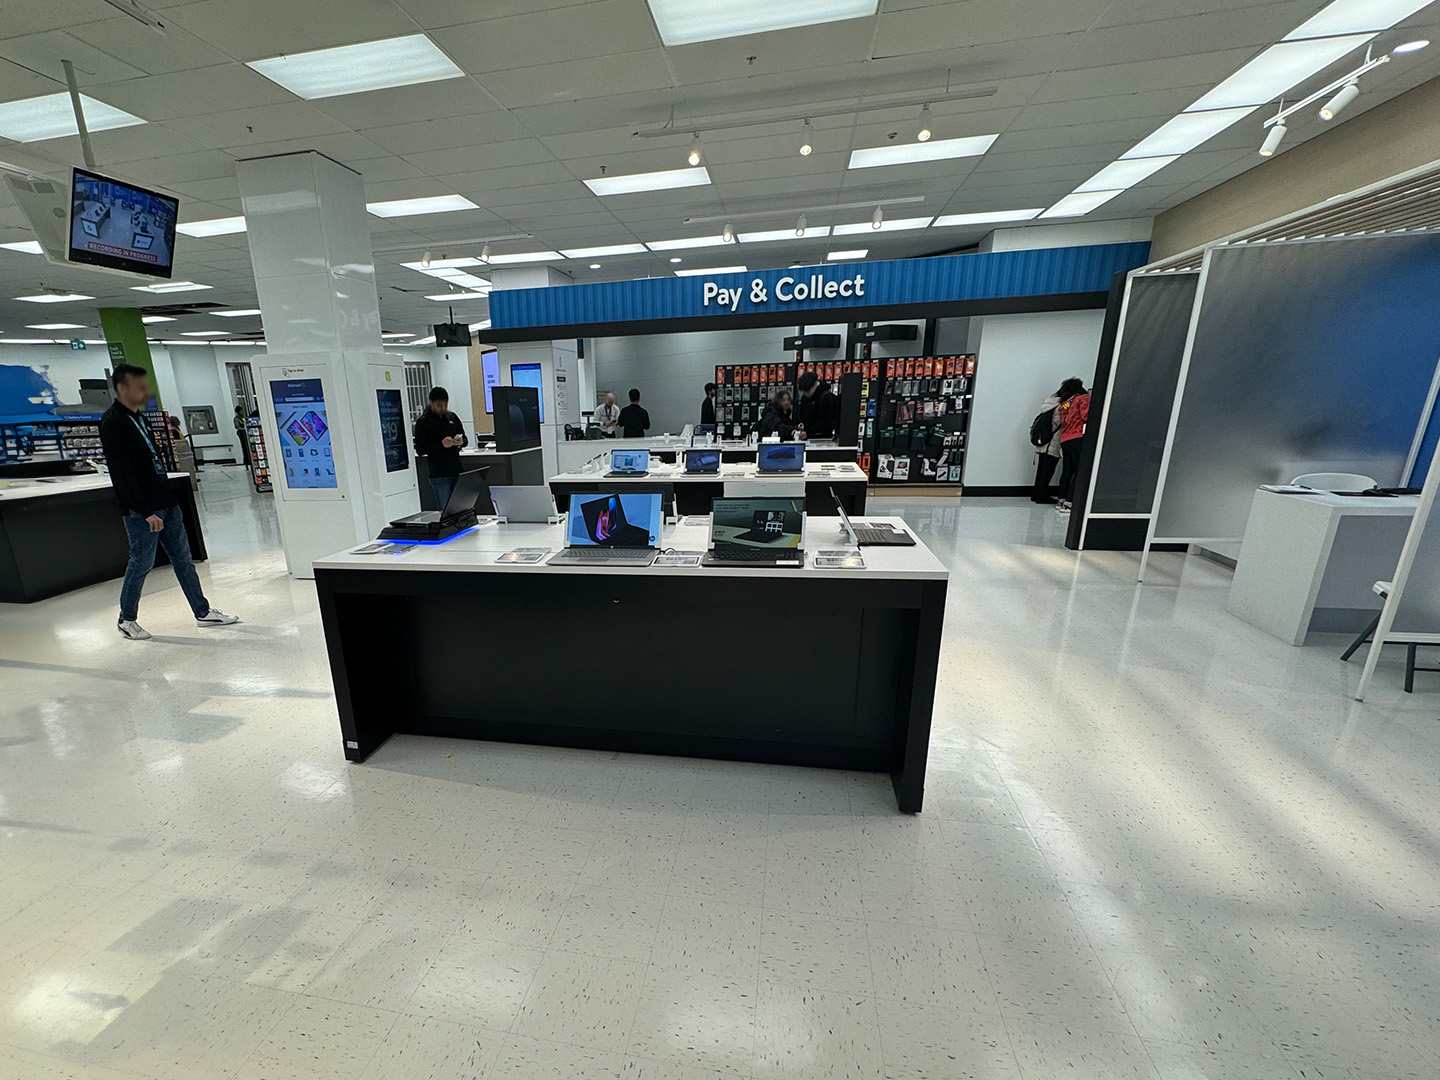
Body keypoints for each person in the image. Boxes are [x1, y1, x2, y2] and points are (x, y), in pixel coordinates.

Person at [100, 363, 238, 640]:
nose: (145, 391)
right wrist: (145, 510)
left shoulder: (141, 419)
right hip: (143, 510)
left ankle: (202, 611)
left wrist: (167, 501)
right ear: (121, 388)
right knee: (141, 563)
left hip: (166, 501)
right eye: (139, 386)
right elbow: (122, 475)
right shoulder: (113, 423)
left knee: (183, 560)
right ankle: (127, 619)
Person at [412, 386, 468, 509]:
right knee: (445, 510)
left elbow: (465, 439)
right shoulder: (423, 422)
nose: (442, 408)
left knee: (462, 508)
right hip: (439, 474)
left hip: (457, 470)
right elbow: (420, 449)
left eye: (444, 405)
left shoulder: (452, 417)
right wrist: (441, 444)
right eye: (439, 405)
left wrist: (460, 441)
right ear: (431, 402)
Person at [1055, 377, 1090, 512]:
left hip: (1065, 439)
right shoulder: (1083, 398)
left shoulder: (1065, 404)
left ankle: (1062, 499)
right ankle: (1070, 502)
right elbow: (1086, 416)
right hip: (1078, 437)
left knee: (1067, 471)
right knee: (1080, 470)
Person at [1030, 389, 1063, 504]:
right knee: (1048, 471)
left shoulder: (1049, 405)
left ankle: (1036, 494)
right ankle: (1042, 496)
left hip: (1043, 443)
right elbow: (1060, 423)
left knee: (1041, 471)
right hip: (1052, 443)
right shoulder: (1061, 407)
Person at [795, 371, 838, 439]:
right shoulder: (805, 397)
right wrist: (800, 423)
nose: (806, 394)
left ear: (814, 385)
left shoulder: (826, 398)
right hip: (807, 436)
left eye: (807, 391)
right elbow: (801, 413)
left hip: (823, 438)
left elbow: (825, 422)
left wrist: (808, 433)